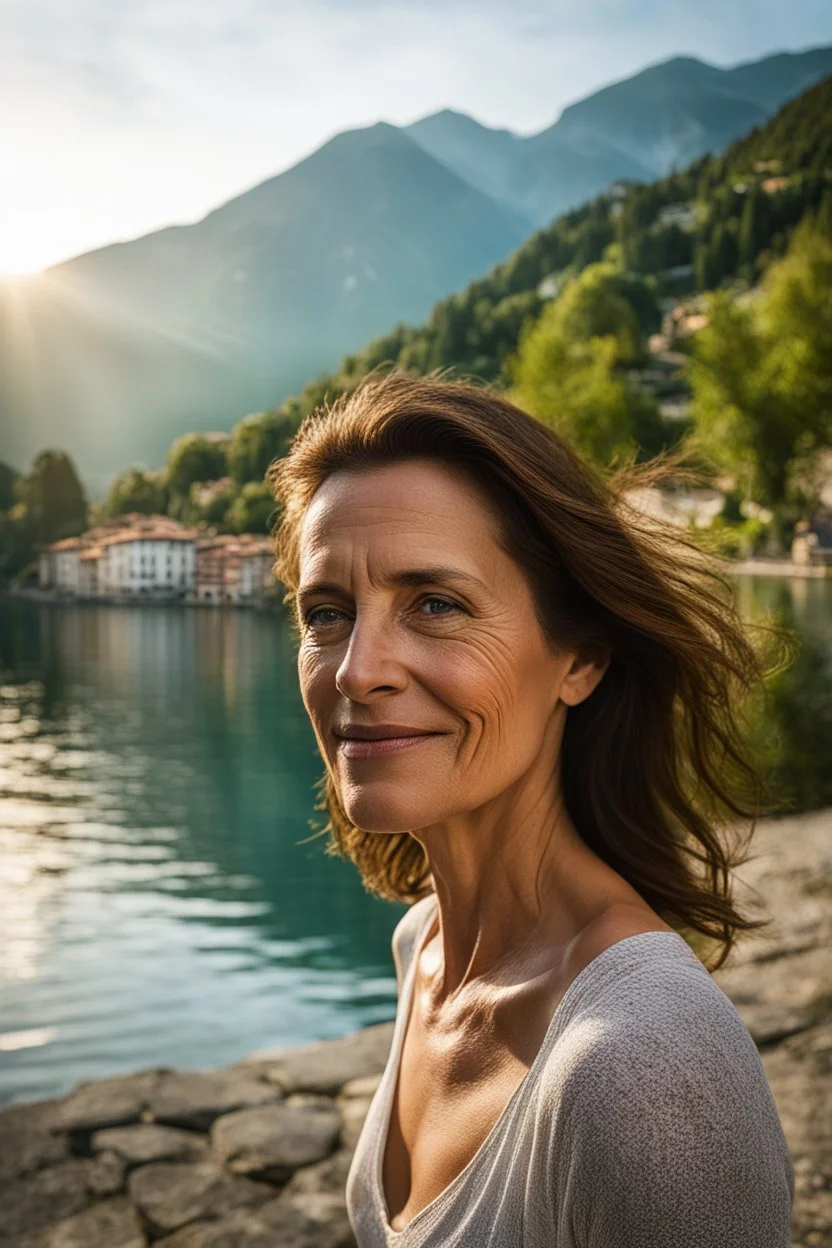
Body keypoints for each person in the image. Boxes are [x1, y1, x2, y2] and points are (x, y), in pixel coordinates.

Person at [266, 370, 794, 1247]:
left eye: (435, 604)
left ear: (579, 659)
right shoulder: (423, 946)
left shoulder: (647, 1066)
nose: (358, 671)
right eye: (327, 612)